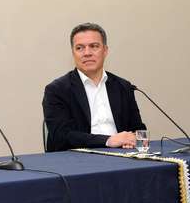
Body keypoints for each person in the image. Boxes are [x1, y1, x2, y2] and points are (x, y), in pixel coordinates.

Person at [42, 22, 145, 152]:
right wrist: (108, 141)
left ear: (105, 50)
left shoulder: (123, 86)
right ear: (73, 53)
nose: (87, 53)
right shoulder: (57, 90)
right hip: (79, 160)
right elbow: (61, 135)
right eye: (79, 48)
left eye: (94, 46)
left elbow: (138, 129)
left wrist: (134, 139)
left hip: (123, 155)